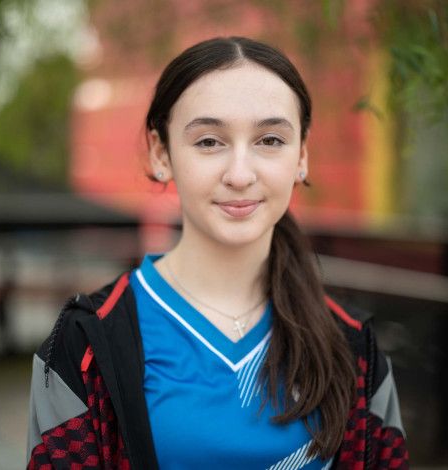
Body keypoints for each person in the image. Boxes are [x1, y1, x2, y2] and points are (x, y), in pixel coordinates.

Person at [26, 36, 408, 469]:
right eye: (209, 141)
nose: (240, 174)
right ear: (160, 153)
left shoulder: (355, 347)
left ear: (301, 155)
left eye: (270, 140)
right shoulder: (86, 345)